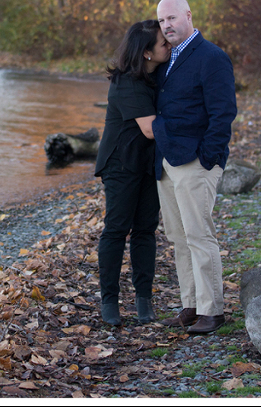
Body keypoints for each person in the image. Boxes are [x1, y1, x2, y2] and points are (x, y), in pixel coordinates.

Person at [152, 0, 237, 334]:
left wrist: (208, 158)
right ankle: (191, 304)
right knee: (178, 236)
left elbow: (223, 112)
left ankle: (212, 310)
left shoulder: (212, 57)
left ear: (188, 15)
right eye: (161, 21)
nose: (167, 25)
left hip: (195, 162)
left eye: (172, 18)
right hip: (167, 161)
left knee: (199, 234)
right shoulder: (167, 59)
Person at [94, 20, 171, 326]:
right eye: (163, 43)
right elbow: (151, 129)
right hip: (121, 163)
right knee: (116, 229)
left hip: (148, 162)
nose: (169, 45)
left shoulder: (157, 76)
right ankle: (109, 301)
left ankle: (143, 299)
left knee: (145, 229)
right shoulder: (127, 82)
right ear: (147, 53)